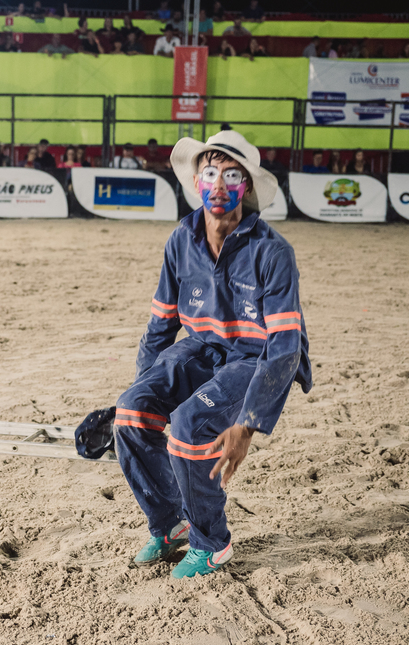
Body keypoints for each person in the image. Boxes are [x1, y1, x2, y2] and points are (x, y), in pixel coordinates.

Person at [102, 130, 310, 579]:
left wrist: (248, 425)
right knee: (130, 413)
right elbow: (161, 324)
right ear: (197, 182)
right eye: (210, 173)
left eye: (231, 175)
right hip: (201, 348)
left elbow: (285, 347)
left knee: (190, 424)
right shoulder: (181, 240)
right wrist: (141, 390)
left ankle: (212, 543)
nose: (219, 184)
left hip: (255, 356)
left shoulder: (272, 251)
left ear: (246, 186)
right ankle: (170, 524)